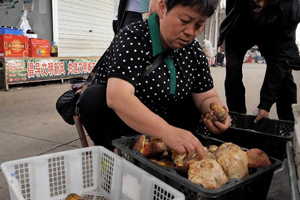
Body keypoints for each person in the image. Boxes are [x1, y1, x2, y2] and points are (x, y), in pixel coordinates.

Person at [78, 0, 231, 159]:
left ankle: (174, 156)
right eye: (184, 21)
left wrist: (216, 115)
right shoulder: (132, 37)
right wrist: (167, 132)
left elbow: (206, 96)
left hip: (168, 126)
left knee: (191, 102)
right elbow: (118, 97)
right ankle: (112, 155)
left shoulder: (193, 49)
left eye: (198, 25)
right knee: (93, 97)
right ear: (163, 8)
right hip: (129, 125)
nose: (190, 32)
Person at [218, 0, 300, 122]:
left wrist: (265, 105)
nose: (261, 4)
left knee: (284, 74)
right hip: (241, 26)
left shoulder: (291, 9)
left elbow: (279, 60)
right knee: (232, 69)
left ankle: (288, 122)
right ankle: (237, 118)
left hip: (273, 30)